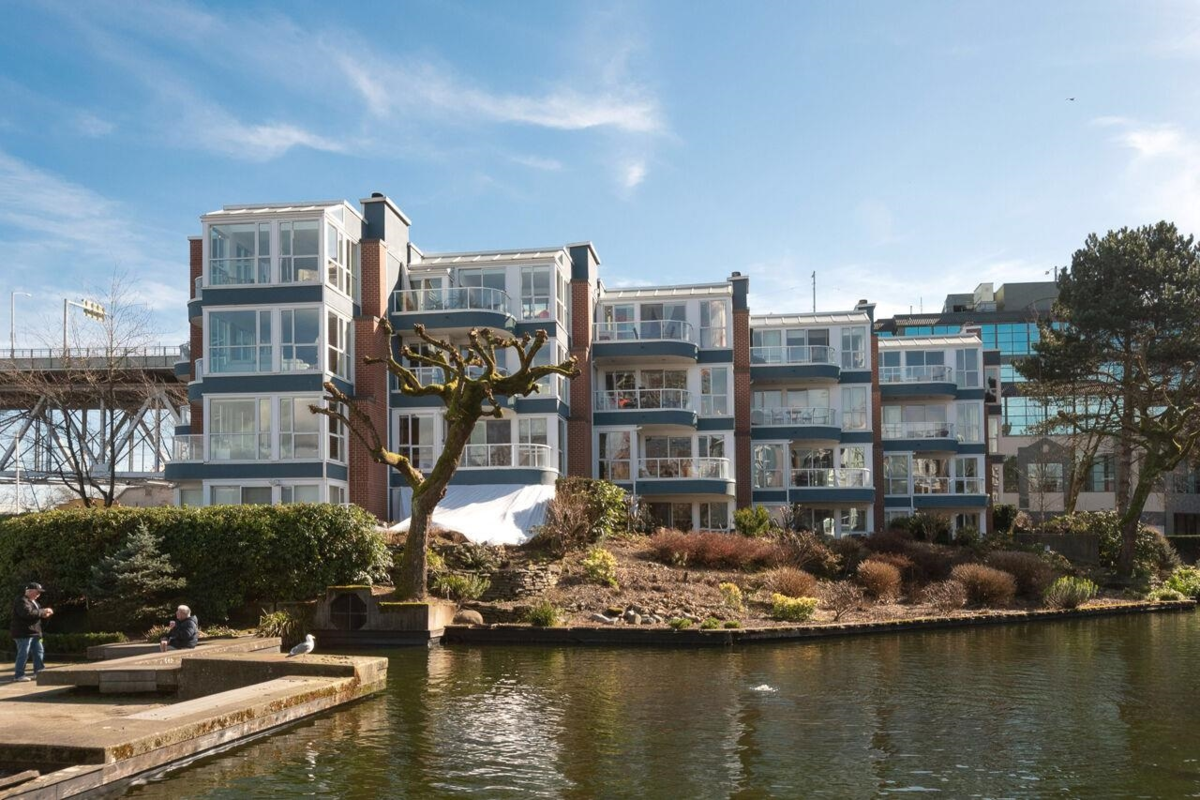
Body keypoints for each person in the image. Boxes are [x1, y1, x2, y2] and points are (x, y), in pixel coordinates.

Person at [11, 582, 53, 682]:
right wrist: (44, 611)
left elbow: (35, 614)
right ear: (29, 591)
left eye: (39, 592)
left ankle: (39, 672)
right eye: (37, 592)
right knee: (23, 653)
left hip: (35, 632)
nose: (39, 594)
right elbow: (27, 613)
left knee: (39, 652)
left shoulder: (34, 602)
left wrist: (44, 615)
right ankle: (19, 675)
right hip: (23, 633)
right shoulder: (21, 601)